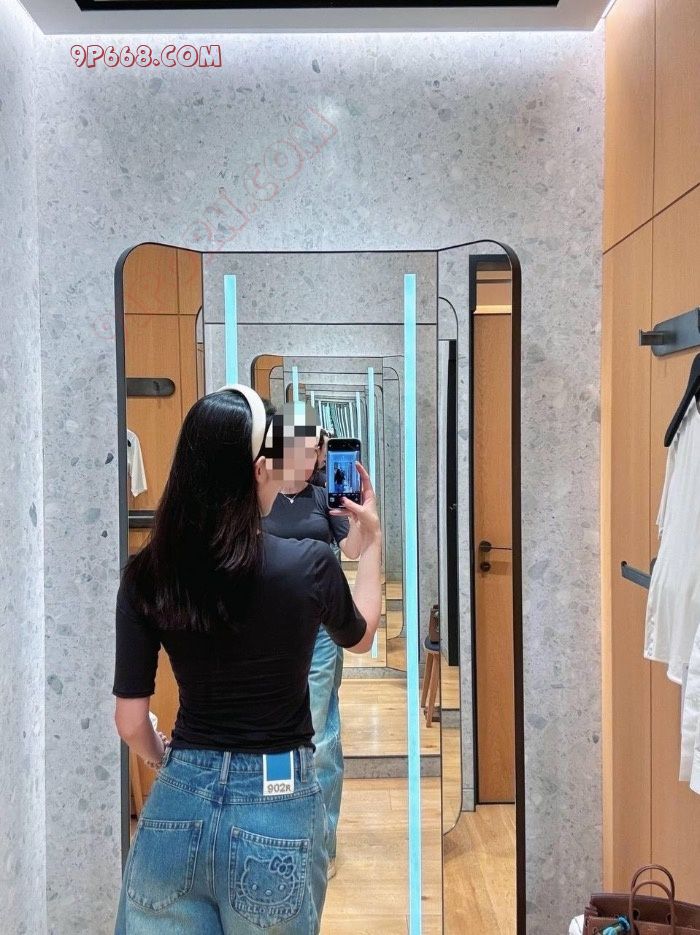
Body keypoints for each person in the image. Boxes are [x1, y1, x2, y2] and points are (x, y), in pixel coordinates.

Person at [112, 386, 382, 934]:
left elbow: (130, 721)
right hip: (275, 797)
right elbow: (360, 637)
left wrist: (163, 758)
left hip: (176, 805)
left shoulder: (148, 572)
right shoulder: (308, 564)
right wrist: (372, 539)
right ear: (260, 469)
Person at [262, 415, 362, 881]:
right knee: (273, 736)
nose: (309, 461)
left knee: (319, 737)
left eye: (314, 452)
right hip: (267, 633)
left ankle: (320, 845)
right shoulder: (258, 497)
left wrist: (359, 515)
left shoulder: (325, 497)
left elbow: (354, 551)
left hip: (320, 630)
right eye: (300, 451)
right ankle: (279, 835)